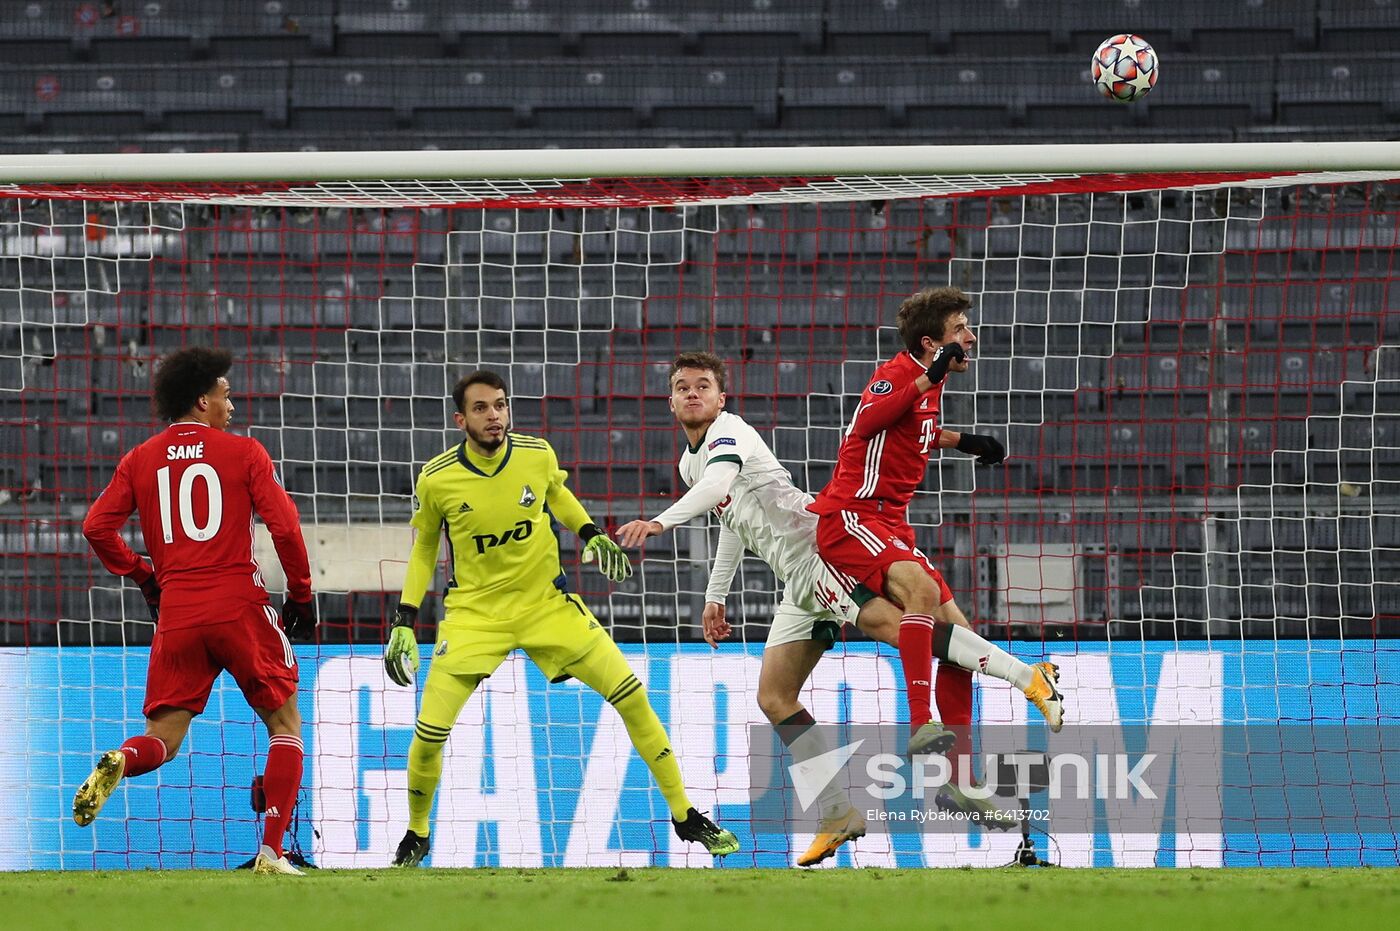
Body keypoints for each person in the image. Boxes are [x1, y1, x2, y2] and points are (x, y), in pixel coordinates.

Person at [617, 351, 1062, 864]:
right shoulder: (689, 460)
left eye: (702, 386)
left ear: (721, 398)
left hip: (820, 555)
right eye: (681, 387)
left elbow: (718, 486)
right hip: (796, 580)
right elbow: (731, 519)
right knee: (775, 696)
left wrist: (658, 523)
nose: (692, 393)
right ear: (670, 401)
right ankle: (837, 812)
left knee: (908, 632)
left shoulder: (728, 433)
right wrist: (715, 595)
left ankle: (1026, 676)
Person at [382, 370, 740, 867]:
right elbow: (424, 550)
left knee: (633, 696)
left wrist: (591, 533)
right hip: (473, 617)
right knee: (427, 735)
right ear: (461, 419)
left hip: (548, 607)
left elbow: (559, 497)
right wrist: (404, 619)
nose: (495, 416)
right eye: (483, 408)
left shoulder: (536, 454)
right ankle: (417, 832)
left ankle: (684, 814)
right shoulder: (438, 477)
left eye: (501, 406)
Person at [808, 286, 1065, 787]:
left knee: (961, 641)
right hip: (850, 516)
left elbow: (914, 429)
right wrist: (931, 375)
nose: (970, 338)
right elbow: (868, 422)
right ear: (932, 344)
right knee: (922, 594)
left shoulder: (927, 385)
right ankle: (921, 723)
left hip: (891, 524)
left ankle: (959, 777)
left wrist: (965, 441)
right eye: (960, 331)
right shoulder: (895, 376)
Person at [77, 347, 317, 876]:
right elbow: (286, 528)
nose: (231, 405)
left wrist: (144, 575)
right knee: (286, 723)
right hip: (238, 602)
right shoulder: (245, 452)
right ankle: (272, 854)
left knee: (162, 737)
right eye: (226, 395)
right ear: (202, 399)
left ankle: (122, 758)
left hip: (178, 611)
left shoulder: (139, 458)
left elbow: (96, 527)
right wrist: (301, 592)